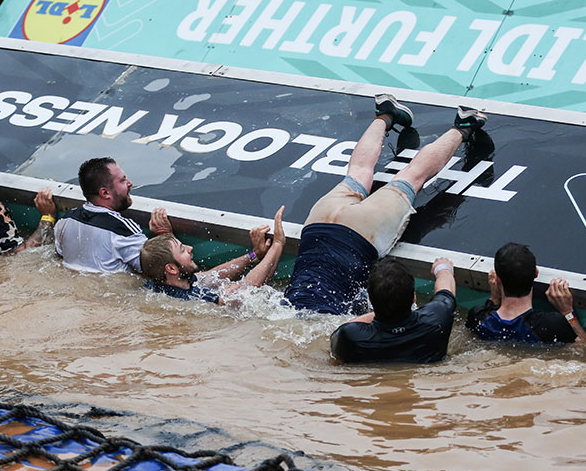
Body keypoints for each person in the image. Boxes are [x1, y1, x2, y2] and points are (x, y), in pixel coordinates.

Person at [284, 93, 486, 316]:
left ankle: (463, 126)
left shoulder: (326, 321)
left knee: (412, 177)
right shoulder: (284, 309)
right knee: (358, 172)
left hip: (361, 234)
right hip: (318, 223)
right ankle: (384, 115)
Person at [140, 207, 286, 304]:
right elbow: (247, 290)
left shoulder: (163, 284)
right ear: (171, 269)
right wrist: (278, 244)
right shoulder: (194, 300)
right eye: (182, 250)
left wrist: (255, 255)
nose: (190, 248)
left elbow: (212, 275)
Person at [54, 156, 174, 273]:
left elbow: (59, 257)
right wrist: (164, 235)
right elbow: (162, 269)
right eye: (123, 180)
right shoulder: (122, 230)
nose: (130, 183)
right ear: (105, 193)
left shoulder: (65, 221)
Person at [330, 256, 456, 364]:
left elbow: (335, 338)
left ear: (369, 299)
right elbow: (446, 291)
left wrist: (385, 306)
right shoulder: (437, 317)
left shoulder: (351, 336)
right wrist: (443, 268)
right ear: (414, 297)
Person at [466, 242, 586, 344]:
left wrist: (494, 298)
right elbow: (585, 349)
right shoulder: (551, 325)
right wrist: (568, 312)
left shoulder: (477, 317)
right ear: (536, 273)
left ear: (497, 279)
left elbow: (488, 320)